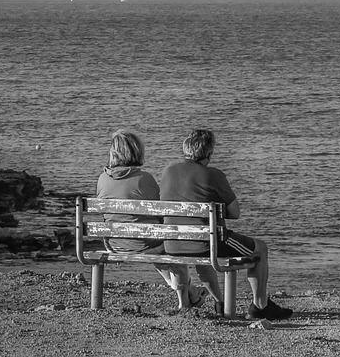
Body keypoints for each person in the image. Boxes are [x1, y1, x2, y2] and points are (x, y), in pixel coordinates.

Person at [159, 128, 293, 320]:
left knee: (204, 254)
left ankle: (219, 302)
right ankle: (260, 305)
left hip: (173, 243)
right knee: (260, 249)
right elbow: (235, 212)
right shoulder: (213, 175)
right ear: (209, 153)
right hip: (206, 243)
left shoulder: (168, 171)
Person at [95, 129, 206, 311]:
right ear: (137, 151)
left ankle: (192, 293)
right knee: (170, 248)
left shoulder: (102, 179)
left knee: (155, 247)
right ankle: (184, 302)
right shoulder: (144, 179)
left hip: (114, 243)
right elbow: (161, 213)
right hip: (143, 244)